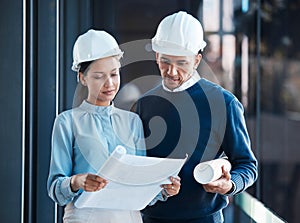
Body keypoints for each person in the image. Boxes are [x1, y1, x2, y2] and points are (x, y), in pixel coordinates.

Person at [134, 11, 258, 223]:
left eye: (181, 63)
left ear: (197, 59)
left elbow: (247, 165)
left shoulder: (224, 103)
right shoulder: (145, 104)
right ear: (156, 57)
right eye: (165, 61)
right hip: (151, 218)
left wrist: (230, 185)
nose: (171, 71)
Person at [47, 29, 181, 223]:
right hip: (84, 218)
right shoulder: (67, 122)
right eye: (99, 76)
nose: (109, 83)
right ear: (82, 78)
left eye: (114, 74)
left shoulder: (132, 121)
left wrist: (164, 189)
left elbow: (139, 184)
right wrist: (77, 181)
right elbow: (55, 190)